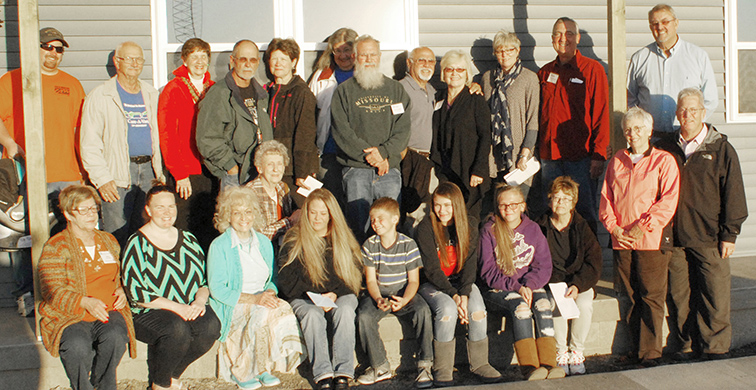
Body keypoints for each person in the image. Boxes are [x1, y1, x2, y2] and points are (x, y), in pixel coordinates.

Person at [657, 88, 748, 360]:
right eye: (683, 110)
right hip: (675, 237)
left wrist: (729, 234)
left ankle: (715, 348)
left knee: (714, 296)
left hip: (710, 237)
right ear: (677, 114)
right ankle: (685, 344)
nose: (688, 115)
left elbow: (734, 194)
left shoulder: (720, 148)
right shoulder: (666, 147)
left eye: (694, 110)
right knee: (679, 296)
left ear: (703, 113)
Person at [0, 27, 86, 313]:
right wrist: (9, 142)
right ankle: (26, 294)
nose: (52, 53)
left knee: (67, 236)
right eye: (46, 46)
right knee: (25, 237)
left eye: (58, 49)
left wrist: (84, 173)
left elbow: (80, 131)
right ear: (33, 47)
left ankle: (65, 292)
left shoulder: (72, 85)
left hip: (67, 174)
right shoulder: (12, 80)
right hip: (26, 175)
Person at [600, 107, 680, 365]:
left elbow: (668, 201)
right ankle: (634, 348)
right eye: (628, 129)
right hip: (621, 240)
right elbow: (606, 199)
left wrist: (642, 227)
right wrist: (614, 228)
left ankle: (650, 352)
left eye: (637, 129)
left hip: (650, 241)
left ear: (649, 130)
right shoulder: (617, 161)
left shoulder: (663, 161)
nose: (632, 134)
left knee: (651, 296)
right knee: (630, 296)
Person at [121, 185, 221, 390]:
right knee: (177, 329)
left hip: (187, 305)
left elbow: (203, 282)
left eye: (171, 206)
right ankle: (160, 384)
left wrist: (199, 302)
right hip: (149, 310)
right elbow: (136, 293)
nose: (167, 213)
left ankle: (171, 375)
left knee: (210, 326)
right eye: (160, 207)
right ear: (148, 210)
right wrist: (178, 308)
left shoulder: (189, 240)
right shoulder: (137, 243)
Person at [207, 186, 306, 390]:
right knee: (261, 313)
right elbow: (217, 289)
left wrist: (269, 292)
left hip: (260, 298)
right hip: (233, 302)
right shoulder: (219, 246)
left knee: (283, 309)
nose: (244, 217)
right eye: (237, 212)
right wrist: (254, 299)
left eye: (248, 211)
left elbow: (273, 278)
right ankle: (243, 371)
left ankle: (263, 367)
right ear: (228, 216)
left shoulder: (263, 242)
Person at [37, 185, 136, 390]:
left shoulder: (108, 240)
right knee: (76, 346)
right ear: (68, 214)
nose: (92, 215)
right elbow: (51, 289)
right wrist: (83, 301)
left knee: (116, 337)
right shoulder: (56, 246)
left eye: (93, 209)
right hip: (72, 314)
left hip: (109, 310)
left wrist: (122, 290)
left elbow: (121, 275)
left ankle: (104, 384)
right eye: (84, 210)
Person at [414, 182, 501, 386]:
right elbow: (432, 270)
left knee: (477, 309)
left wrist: (464, 293)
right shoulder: (426, 227)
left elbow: (470, 262)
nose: (441, 211)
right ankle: (442, 368)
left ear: (457, 206)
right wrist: (454, 296)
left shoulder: (470, 224)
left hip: (463, 281)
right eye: (437, 205)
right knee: (447, 311)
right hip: (434, 283)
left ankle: (480, 363)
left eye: (447, 205)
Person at [80, 41, 165, 246]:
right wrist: (102, 178)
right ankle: (117, 277)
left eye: (139, 59)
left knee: (147, 230)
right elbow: (89, 143)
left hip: (149, 171)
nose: (135, 63)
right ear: (117, 62)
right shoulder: (101, 95)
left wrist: (160, 173)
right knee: (117, 232)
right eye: (130, 59)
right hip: (117, 172)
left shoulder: (151, 94)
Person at [277, 189, 363, 390]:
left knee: (345, 310)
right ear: (306, 213)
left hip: (339, 293)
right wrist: (316, 296)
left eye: (323, 213)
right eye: (313, 212)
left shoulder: (342, 238)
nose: (317, 218)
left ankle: (343, 371)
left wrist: (334, 293)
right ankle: (323, 373)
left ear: (331, 214)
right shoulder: (294, 239)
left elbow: (355, 274)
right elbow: (287, 280)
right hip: (304, 296)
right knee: (312, 315)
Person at [330, 35, 411, 242]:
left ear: (379, 56)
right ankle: (361, 272)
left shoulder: (395, 89)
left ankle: (390, 271)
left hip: (388, 169)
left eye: (372, 54)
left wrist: (383, 154)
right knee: (358, 227)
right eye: (364, 55)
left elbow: (402, 129)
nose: (368, 59)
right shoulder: (344, 91)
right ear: (355, 57)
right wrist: (371, 156)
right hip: (356, 171)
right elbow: (342, 131)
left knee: (391, 226)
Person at [479, 184, 564, 381]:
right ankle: (530, 367)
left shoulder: (533, 229)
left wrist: (529, 285)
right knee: (521, 308)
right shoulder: (489, 230)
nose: (508, 209)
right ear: (497, 207)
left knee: (543, 304)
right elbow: (488, 272)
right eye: (503, 205)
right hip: (498, 289)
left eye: (513, 204)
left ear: (523, 206)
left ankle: (550, 364)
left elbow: (544, 266)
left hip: (530, 285)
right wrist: (517, 287)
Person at [537, 17, 609, 231]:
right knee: (550, 213)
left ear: (577, 38)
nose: (563, 38)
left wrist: (598, 155)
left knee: (583, 214)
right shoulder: (544, 72)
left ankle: (588, 264)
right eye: (558, 34)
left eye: (568, 33)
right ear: (552, 40)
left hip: (581, 158)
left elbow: (602, 114)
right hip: (549, 158)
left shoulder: (592, 70)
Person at [356, 197, 433, 388]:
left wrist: (406, 299)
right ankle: (380, 366)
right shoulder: (370, 245)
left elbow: (414, 280)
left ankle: (425, 365)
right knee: (364, 316)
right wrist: (378, 298)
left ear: (394, 219)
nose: (376, 223)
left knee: (423, 311)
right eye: (373, 219)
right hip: (379, 294)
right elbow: (371, 280)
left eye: (381, 218)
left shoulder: (408, 245)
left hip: (404, 292)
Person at [535, 176, 602, 375]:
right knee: (556, 303)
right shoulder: (539, 226)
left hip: (580, 280)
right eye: (556, 198)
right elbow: (537, 260)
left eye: (566, 198)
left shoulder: (584, 226)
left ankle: (577, 351)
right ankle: (561, 352)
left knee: (584, 304)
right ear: (549, 200)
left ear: (573, 202)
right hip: (552, 281)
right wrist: (557, 285)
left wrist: (578, 285)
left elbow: (594, 261)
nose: (561, 202)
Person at [157, 38, 217, 251]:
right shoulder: (173, 89)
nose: (199, 62)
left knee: (209, 225)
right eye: (194, 57)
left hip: (210, 170)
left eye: (204, 57)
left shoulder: (214, 89)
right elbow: (167, 134)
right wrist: (179, 173)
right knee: (185, 224)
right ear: (184, 60)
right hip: (186, 170)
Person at [627, 4, 718, 136]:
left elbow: (710, 99)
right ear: (650, 27)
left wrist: (692, 127)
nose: (660, 27)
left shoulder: (697, 56)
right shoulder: (639, 58)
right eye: (655, 23)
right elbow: (630, 99)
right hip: (651, 139)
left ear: (676, 23)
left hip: (685, 138)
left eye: (665, 22)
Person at [196, 39, 273, 188]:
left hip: (259, 173)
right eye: (243, 59)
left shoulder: (262, 95)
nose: (247, 65)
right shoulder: (219, 94)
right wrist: (231, 167)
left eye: (252, 60)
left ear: (258, 62)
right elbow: (207, 138)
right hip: (235, 175)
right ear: (232, 61)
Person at [431, 50, 491, 223]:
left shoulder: (475, 99)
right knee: (447, 217)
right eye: (450, 69)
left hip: (469, 171)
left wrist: (479, 170)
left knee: (469, 219)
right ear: (443, 73)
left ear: (467, 74)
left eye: (460, 70)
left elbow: (485, 135)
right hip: (446, 169)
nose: (455, 74)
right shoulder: (439, 98)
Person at [481, 31, 540, 196]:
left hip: (518, 154)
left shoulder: (529, 78)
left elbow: (533, 119)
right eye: (500, 51)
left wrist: (525, 153)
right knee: (496, 204)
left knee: (516, 202)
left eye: (509, 50)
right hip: (494, 155)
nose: (504, 55)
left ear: (518, 50)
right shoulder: (487, 78)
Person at [263, 38, 318, 206]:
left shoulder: (301, 93)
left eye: (283, 59)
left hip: (293, 169)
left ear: (293, 62)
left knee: (296, 214)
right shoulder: (266, 92)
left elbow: (305, 135)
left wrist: (302, 172)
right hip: (270, 168)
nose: (278, 64)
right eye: (274, 59)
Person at [309, 27, 357, 205]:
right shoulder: (321, 77)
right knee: (331, 203)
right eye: (338, 50)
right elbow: (309, 116)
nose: (343, 55)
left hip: (356, 154)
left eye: (347, 50)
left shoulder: (365, 76)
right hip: (329, 152)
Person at [399, 46, 439, 226]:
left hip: (431, 162)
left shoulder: (432, 90)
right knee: (412, 216)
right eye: (421, 60)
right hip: (410, 159)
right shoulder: (400, 89)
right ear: (410, 63)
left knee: (429, 214)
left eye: (431, 61)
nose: (427, 65)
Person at [245, 140, 300, 247]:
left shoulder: (282, 187)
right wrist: (290, 221)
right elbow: (258, 235)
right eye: (270, 164)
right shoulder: (250, 192)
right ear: (259, 168)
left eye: (280, 164)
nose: (276, 169)